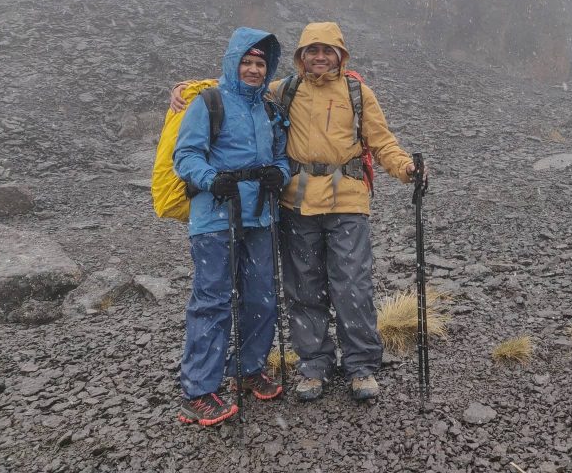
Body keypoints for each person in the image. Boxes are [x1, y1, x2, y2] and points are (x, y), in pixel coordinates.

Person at [171, 22, 423, 402]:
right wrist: (186, 89)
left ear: (340, 54)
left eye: (328, 50)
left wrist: (406, 168)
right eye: (312, 50)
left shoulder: (357, 92)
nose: (319, 57)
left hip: (347, 201)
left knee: (352, 285)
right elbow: (238, 85)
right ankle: (314, 366)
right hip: (297, 203)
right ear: (300, 56)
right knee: (303, 288)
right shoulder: (283, 90)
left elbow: (381, 140)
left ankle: (360, 366)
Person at [173, 27, 290, 426]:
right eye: (248, 62)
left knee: (261, 296)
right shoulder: (209, 102)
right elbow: (186, 155)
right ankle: (199, 391)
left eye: (260, 63)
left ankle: (248, 368)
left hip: (259, 216)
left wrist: (280, 174)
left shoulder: (270, 108)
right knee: (213, 299)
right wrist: (211, 179)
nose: (254, 69)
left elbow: (282, 156)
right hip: (215, 217)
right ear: (233, 63)